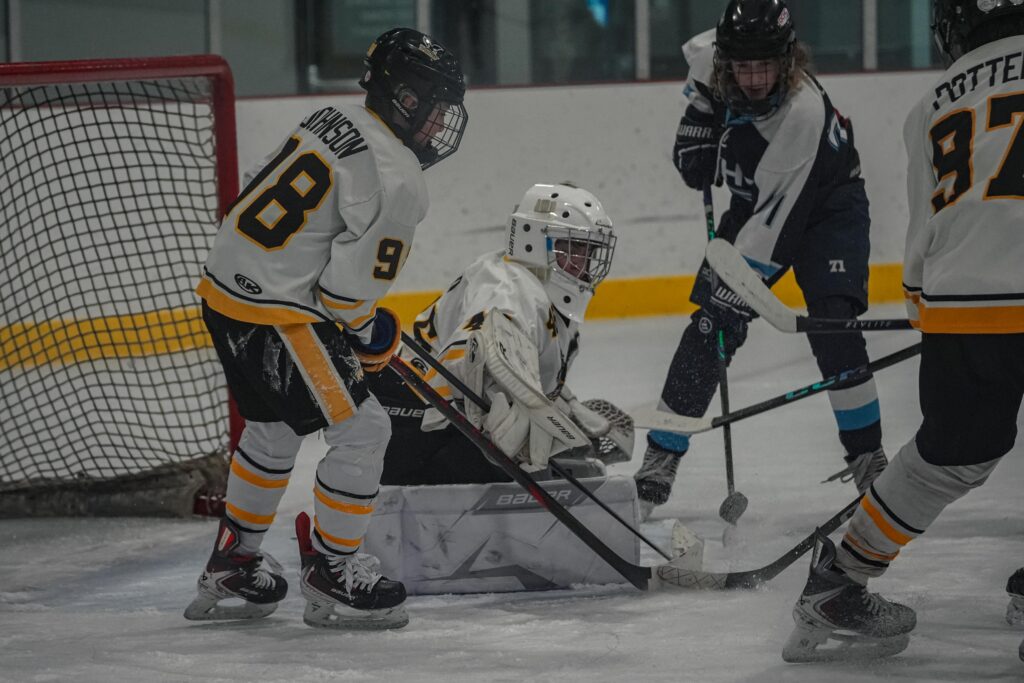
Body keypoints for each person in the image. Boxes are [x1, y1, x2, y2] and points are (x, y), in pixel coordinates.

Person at [183, 27, 468, 630]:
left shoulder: (329, 118)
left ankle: (234, 561)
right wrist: (371, 335)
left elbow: (248, 209)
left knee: (271, 432)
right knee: (365, 427)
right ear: (407, 99)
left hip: (222, 291)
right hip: (277, 313)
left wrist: (356, 329)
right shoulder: (400, 179)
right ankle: (335, 571)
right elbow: (345, 298)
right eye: (438, 105)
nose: (443, 121)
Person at [782, 0, 1024, 662]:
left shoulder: (933, 103)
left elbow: (924, 235)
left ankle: (837, 582)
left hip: (965, 297)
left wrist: (933, 309)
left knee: (952, 455)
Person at [635, 0, 887, 519]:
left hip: (827, 207)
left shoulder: (802, 114)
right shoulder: (715, 59)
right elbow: (701, 76)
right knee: (711, 327)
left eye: (764, 67)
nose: (751, 79)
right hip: (759, 201)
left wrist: (738, 288)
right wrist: (700, 118)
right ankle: (662, 454)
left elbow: (774, 230)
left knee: (833, 324)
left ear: (788, 60)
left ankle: (868, 459)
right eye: (741, 67)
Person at [367, 182, 630, 486]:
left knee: (546, 451)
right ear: (533, 240)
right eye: (573, 248)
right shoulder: (507, 289)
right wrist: (502, 413)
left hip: (428, 417)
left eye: (588, 249)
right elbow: (464, 364)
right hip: (409, 419)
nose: (583, 262)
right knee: (512, 458)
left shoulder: (541, 293)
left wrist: (560, 405)